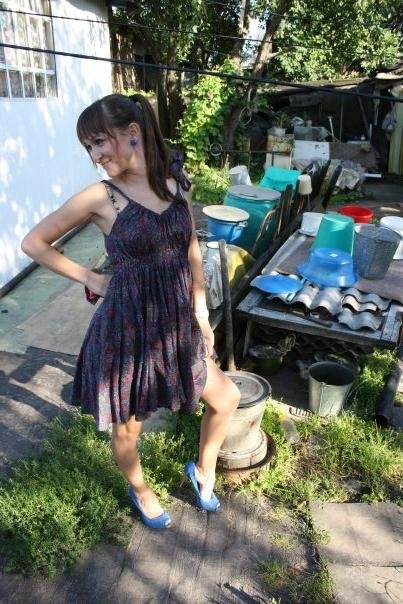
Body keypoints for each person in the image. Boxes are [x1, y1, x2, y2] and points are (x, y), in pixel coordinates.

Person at [21, 93, 240, 530]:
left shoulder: (176, 184)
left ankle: (203, 469)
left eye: (99, 142)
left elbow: (191, 250)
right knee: (128, 429)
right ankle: (139, 489)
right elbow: (33, 243)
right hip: (128, 329)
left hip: (176, 323)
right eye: (89, 147)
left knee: (226, 397)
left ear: (133, 132)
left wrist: (200, 313)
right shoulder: (100, 197)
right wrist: (90, 277)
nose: (95, 155)